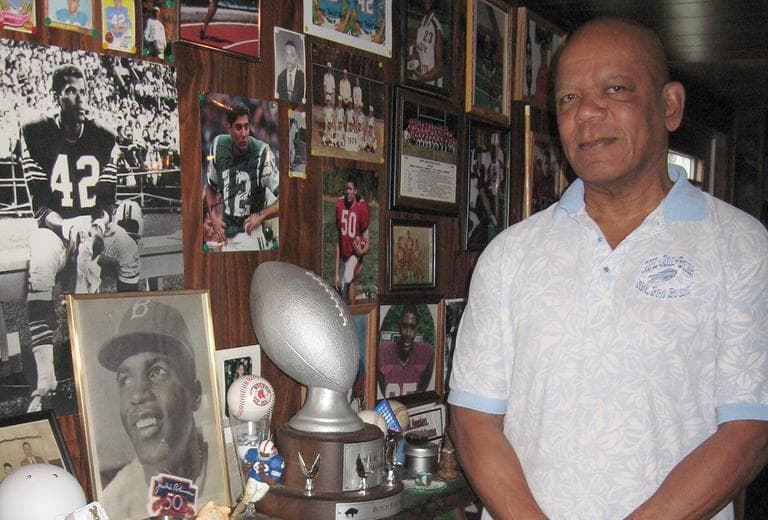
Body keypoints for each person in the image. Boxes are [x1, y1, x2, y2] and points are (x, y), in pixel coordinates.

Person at [448, 17, 768, 520]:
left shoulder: (742, 248)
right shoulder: (510, 255)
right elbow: (474, 419)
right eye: (569, 99)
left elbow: (750, 429)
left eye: (615, 89)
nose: (588, 113)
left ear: (669, 106)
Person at [16, 64, 139, 413]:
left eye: (82, 90)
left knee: (128, 249)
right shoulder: (36, 134)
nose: (78, 96)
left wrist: (97, 226)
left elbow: (107, 201)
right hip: (55, 228)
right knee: (39, 260)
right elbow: (40, 205)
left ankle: (122, 349)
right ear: (57, 96)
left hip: (92, 224)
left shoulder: (103, 137)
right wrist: (65, 226)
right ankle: (45, 381)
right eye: (70, 90)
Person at [98, 299, 216, 517]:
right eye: (125, 379)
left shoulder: (232, 471)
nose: (137, 395)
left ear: (195, 395)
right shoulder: (113, 507)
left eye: (157, 372)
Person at [204, 102, 279, 246]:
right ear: (229, 128)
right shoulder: (219, 145)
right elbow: (210, 187)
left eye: (246, 126)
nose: (244, 133)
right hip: (227, 234)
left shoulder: (262, 153)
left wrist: (262, 216)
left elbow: (286, 198)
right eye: (238, 127)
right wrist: (214, 217)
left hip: (251, 233)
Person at [377, 304, 434, 398]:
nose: (408, 333)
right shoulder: (384, 351)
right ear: (399, 327)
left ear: (416, 331)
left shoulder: (426, 353)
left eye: (412, 327)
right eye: (405, 326)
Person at [334, 174, 370, 302]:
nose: (348, 191)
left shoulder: (361, 208)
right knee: (345, 282)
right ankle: (359, 299)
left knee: (347, 280)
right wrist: (336, 272)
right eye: (346, 189)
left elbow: (367, 242)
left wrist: (361, 252)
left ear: (356, 190)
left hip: (354, 254)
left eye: (350, 189)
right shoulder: (340, 205)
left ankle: (349, 310)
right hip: (344, 254)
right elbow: (339, 241)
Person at [409, 0, 444, 87]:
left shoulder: (436, 27)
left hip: (432, 85)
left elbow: (440, 66)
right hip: (421, 80)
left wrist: (423, 77)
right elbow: (419, 52)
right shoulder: (422, 24)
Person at [275, 39, 305, 103]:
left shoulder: (303, 77)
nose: (289, 59)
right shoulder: (280, 77)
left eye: (292, 55)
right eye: (286, 54)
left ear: (297, 57)